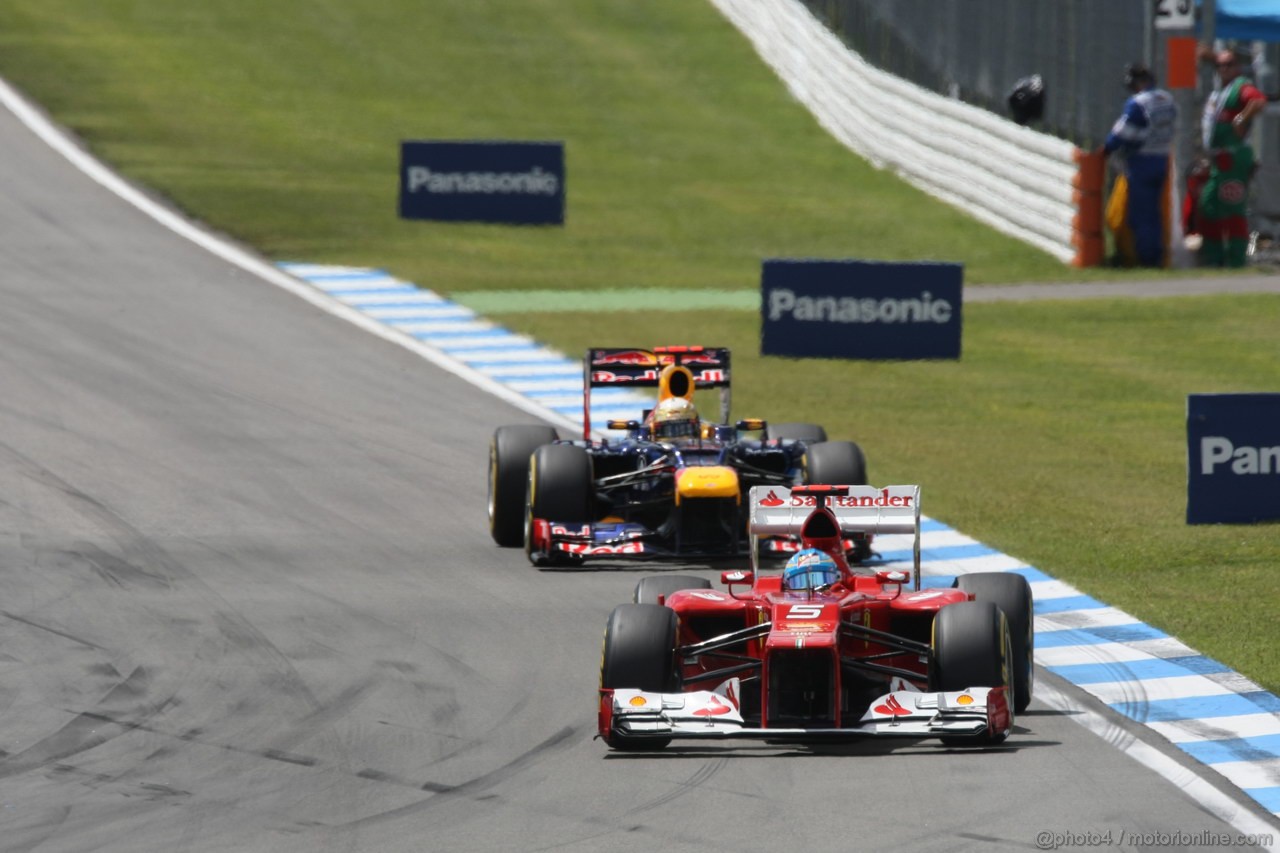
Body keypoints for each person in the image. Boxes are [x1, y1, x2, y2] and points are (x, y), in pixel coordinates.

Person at [1102, 63, 1178, 267]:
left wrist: (1107, 149)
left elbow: (1123, 132)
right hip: (1163, 159)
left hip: (1142, 161)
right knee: (1155, 212)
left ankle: (1145, 258)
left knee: (1140, 214)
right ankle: (1157, 254)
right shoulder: (1167, 99)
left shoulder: (1138, 103)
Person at [1198, 48, 1268, 267]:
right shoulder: (1221, 90)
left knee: (1233, 208)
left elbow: (1257, 101)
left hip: (1234, 158)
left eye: (1229, 65)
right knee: (1209, 205)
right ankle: (1214, 259)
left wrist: (1241, 118)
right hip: (1218, 158)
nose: (1224, 69)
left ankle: (1236, 261)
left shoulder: (1241, 86)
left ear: (1237, 67)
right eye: (1220, 66)